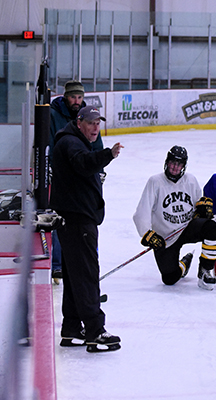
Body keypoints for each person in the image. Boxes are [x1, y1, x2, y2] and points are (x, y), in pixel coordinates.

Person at [50, 106, 123, 352]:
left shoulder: (72, 141)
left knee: (73, 276)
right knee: (87, 275)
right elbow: (83, 164)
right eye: (90, 123)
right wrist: (107, 155)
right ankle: (95, 331)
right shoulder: (71, 143)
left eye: (98, 124)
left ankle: (71, 328)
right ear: (79, 122)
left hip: (75, 219)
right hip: (78, 220)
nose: (95, 128)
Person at [133, 146, 216, 290]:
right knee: (169, 278)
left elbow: (197, 206)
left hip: (187, 228)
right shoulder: (155, 182)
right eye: (173, 162)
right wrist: (147, 234)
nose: (175, 167)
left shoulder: (190, 180)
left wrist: (203, 211)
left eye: (179, 164)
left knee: (213, 228)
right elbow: (141, 213)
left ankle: (205, 270)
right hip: (166, 237)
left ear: (183, 166)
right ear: (167, 162)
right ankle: (184, 265)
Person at [49, 81, 105, 283]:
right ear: (65, 96)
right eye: (73, 97)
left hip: (85, 173)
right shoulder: (54, 114)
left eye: (80, 97)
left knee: (88, 221)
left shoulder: (87, 114)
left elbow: (97, 145)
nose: (76, 101)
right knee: (63, 218)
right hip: (65, 174)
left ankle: (90, 264)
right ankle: (58, 266)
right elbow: (50, 144)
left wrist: (100, 170)